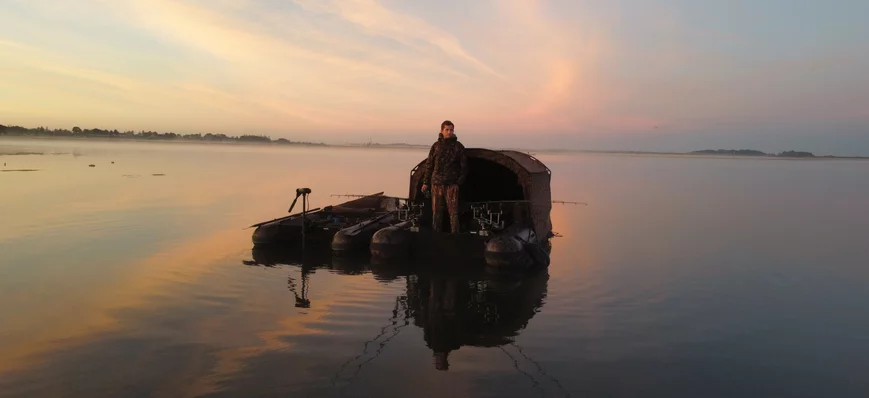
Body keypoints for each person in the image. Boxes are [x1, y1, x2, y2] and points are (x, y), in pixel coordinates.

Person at [421, 120, 468, 233]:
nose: (449, 132)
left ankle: (455, 236)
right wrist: (425, 183)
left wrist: (458, 182)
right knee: (436, 212)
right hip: (436, 184)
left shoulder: (458, 146)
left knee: (453, 213)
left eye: (451, 130)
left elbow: (464, 166)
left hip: (451, 185)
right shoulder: (436, 146)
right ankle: (436, 236)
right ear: (441, 131)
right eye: (447, 130)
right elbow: (429, 165)